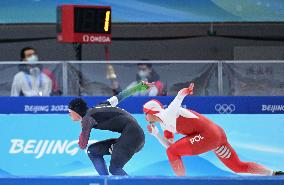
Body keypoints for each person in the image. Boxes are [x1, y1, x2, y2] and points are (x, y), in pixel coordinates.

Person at [143, 83, 284, 176]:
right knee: (238, 167)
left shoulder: (170, 112)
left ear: (151, 112)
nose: (144, 116)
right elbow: (170, 146)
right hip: (216, 135)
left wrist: (187, 90)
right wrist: (156, 135)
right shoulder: (164, 126)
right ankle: (274, 174)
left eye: (145, 113)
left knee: (172, 151)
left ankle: (181, 182)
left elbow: (179, 96)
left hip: (209, 136)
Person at [68, 81, 150, 175]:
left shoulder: (87, 119)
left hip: (132, 136)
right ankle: (105, 181)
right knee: (93, 151)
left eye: (70, 111)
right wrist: (139, 87)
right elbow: (121, 96)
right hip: (134, 135)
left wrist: (82, 127)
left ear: (76, 112)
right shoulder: (102, 105)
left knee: (115, 169)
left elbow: (82, 144)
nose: (69, 114)